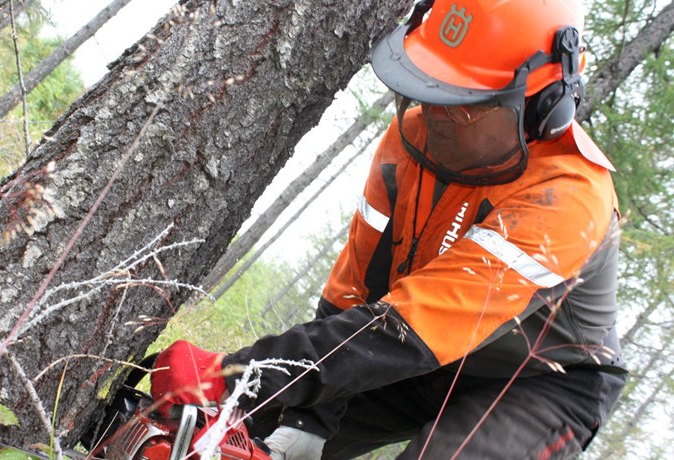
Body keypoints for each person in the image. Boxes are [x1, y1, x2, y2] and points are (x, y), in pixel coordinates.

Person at [150, 0, 628, 458]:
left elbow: (412, 330)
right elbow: (356, 289)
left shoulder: (568, 195)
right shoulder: (414, 136)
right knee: (245, 425)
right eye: (427, 87)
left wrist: (237, 375)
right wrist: (307, 419)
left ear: (543, 106)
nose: (435, 113)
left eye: (462, 102)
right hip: (409, 351)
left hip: (527, 383)